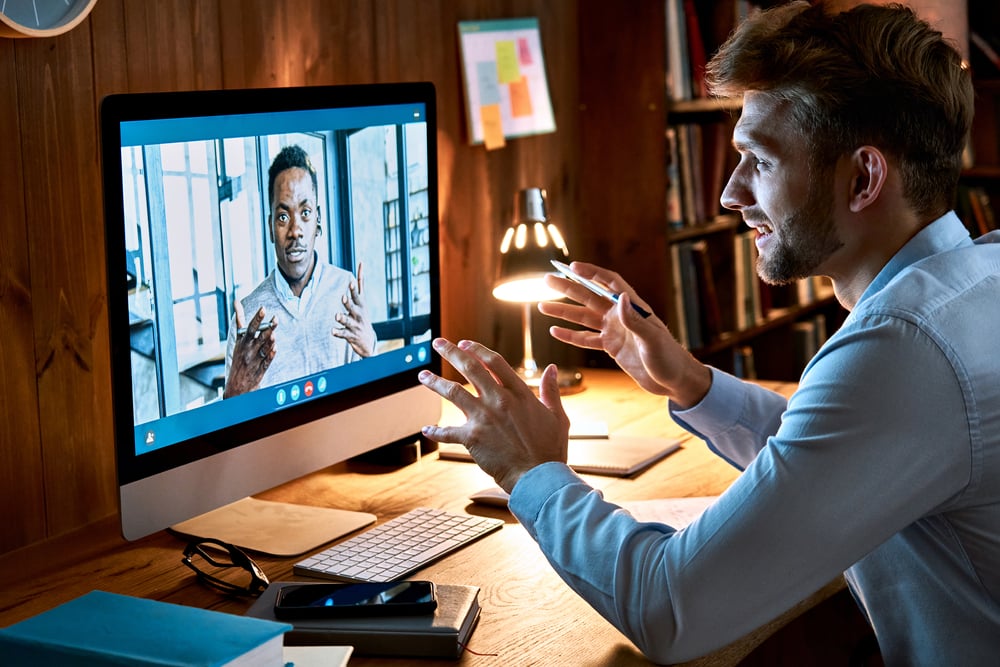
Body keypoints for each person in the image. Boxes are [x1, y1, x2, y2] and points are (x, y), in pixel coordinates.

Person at [417, 2, 1000, 664]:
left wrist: (532, 469)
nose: (729, 192)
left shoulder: (905, 350)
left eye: (760, 159)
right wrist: (688, 381)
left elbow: (671, 605)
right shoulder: (977, 276)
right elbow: (832, 456)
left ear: (863, 177)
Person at [224, 144, 376, 397]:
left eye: (305, 213)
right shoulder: (248, 318)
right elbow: (229, 425)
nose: (295, 230)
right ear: (271, 227)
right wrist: (234, 392)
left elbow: (372, 396)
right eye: (283, 217)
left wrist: (371, 349)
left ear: (317, 221)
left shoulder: (346, 290)